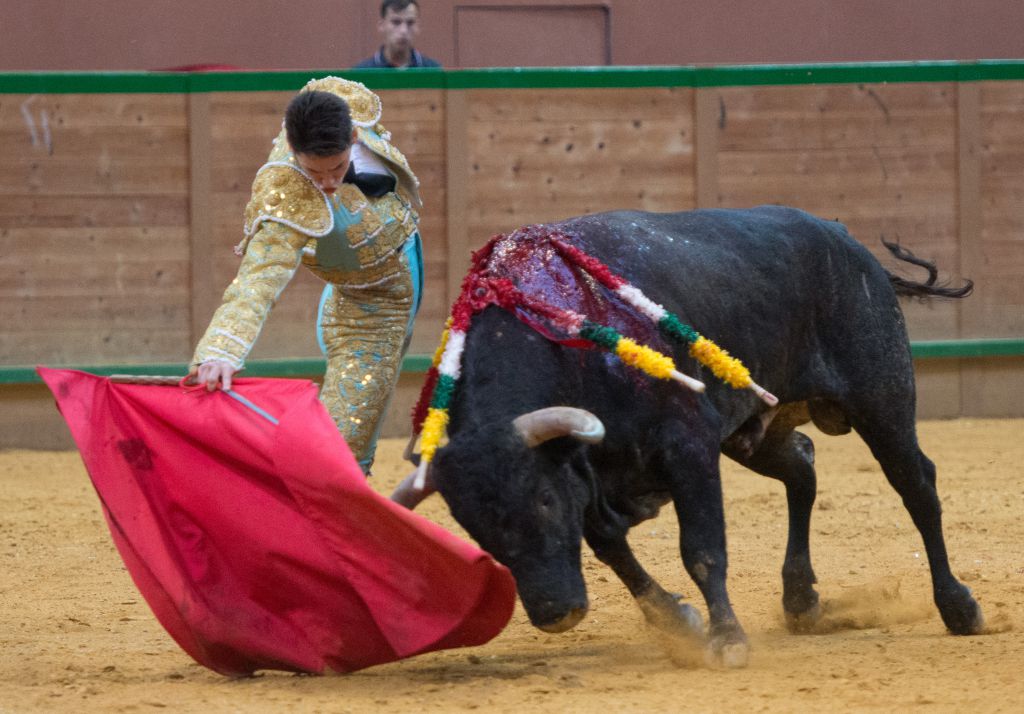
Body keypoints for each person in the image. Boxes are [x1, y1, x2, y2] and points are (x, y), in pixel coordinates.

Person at [190, 76, 424, 475]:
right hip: (369, 310)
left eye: (337, 168)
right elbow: (257, 279)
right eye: (315, 174)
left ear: (352, 136)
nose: (329, 183)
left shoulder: (341, 103)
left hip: (403, 260)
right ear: (295, 152)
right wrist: (220, 351)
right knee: (339, 453)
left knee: (352, 432)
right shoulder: (287, 196)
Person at [353, 0, 441, 69]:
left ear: (418, 27)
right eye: (396, 22)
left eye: (410, 23)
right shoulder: (362, 73)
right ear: (382, 26)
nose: (403, 31)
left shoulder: (433, 70)